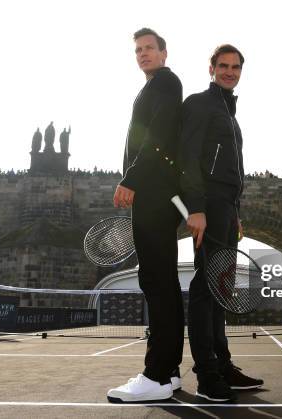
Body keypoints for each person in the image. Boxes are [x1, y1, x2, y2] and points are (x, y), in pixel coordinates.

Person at [178, 44, 264, 402]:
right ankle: (207, 375)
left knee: (220, 287)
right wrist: (196, 207)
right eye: (223, 66)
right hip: (208, 203)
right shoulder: (200, 103)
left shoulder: (230, 112)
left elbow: (234, 170)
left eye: (236, 67)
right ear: (211, 68)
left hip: (227, 205)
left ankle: (223, 365)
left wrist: (237, 211)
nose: (230, 71)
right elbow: (187, 156)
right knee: (205, 287)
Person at [107, 28, 183, 403]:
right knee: (161, 281)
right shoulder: (152, 87)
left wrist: (131, 179)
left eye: (149, 48)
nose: (143, 54)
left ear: (164, 53)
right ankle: (168, 372)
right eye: (138, 49)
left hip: (153, 193)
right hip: (153, 194)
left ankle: (156, 374)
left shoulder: (167, 83)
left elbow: (158, 136)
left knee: (156, 281)